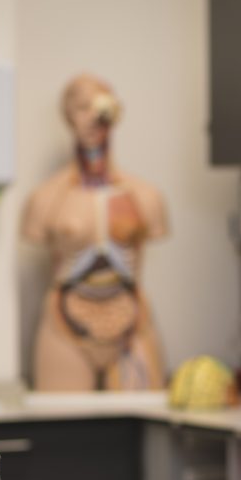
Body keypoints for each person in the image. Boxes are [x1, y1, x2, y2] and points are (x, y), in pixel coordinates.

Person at [22, 73, 168, 391]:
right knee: (67, 431)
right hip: (66, 323)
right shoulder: (47, 199)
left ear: (114, 111)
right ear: (67, 117)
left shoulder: (145, 196)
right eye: (81, 108)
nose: (92, 116)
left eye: (99, 106)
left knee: (142, 427)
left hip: (130, 321)